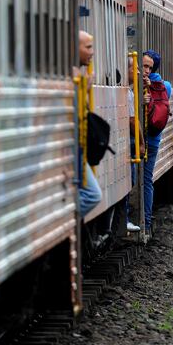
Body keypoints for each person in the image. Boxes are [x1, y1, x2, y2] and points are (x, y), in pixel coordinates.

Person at [142, 49, 171, 233]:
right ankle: (146, 222)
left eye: (148, 67)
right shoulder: (165, 85)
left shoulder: (152, 85)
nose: (145, 70)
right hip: (154, 139)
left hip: (146, 138)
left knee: (139, 179)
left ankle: (141, 221)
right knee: (147, 180)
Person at [74, 31, 103, 217]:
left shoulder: (79, 75)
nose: (92, 52)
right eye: (88, 47)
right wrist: (84, 89)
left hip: (76, 146)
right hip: (72, 147)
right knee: (92, 195)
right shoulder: (74, 77)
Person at [125, 55, 143, 233]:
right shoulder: (127, 93)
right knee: (129, 180)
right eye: (135, 68)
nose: (138, 72)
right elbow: (132, 120)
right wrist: (141, 142)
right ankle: (125, 218)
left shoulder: (129, 91)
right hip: (128, 141)